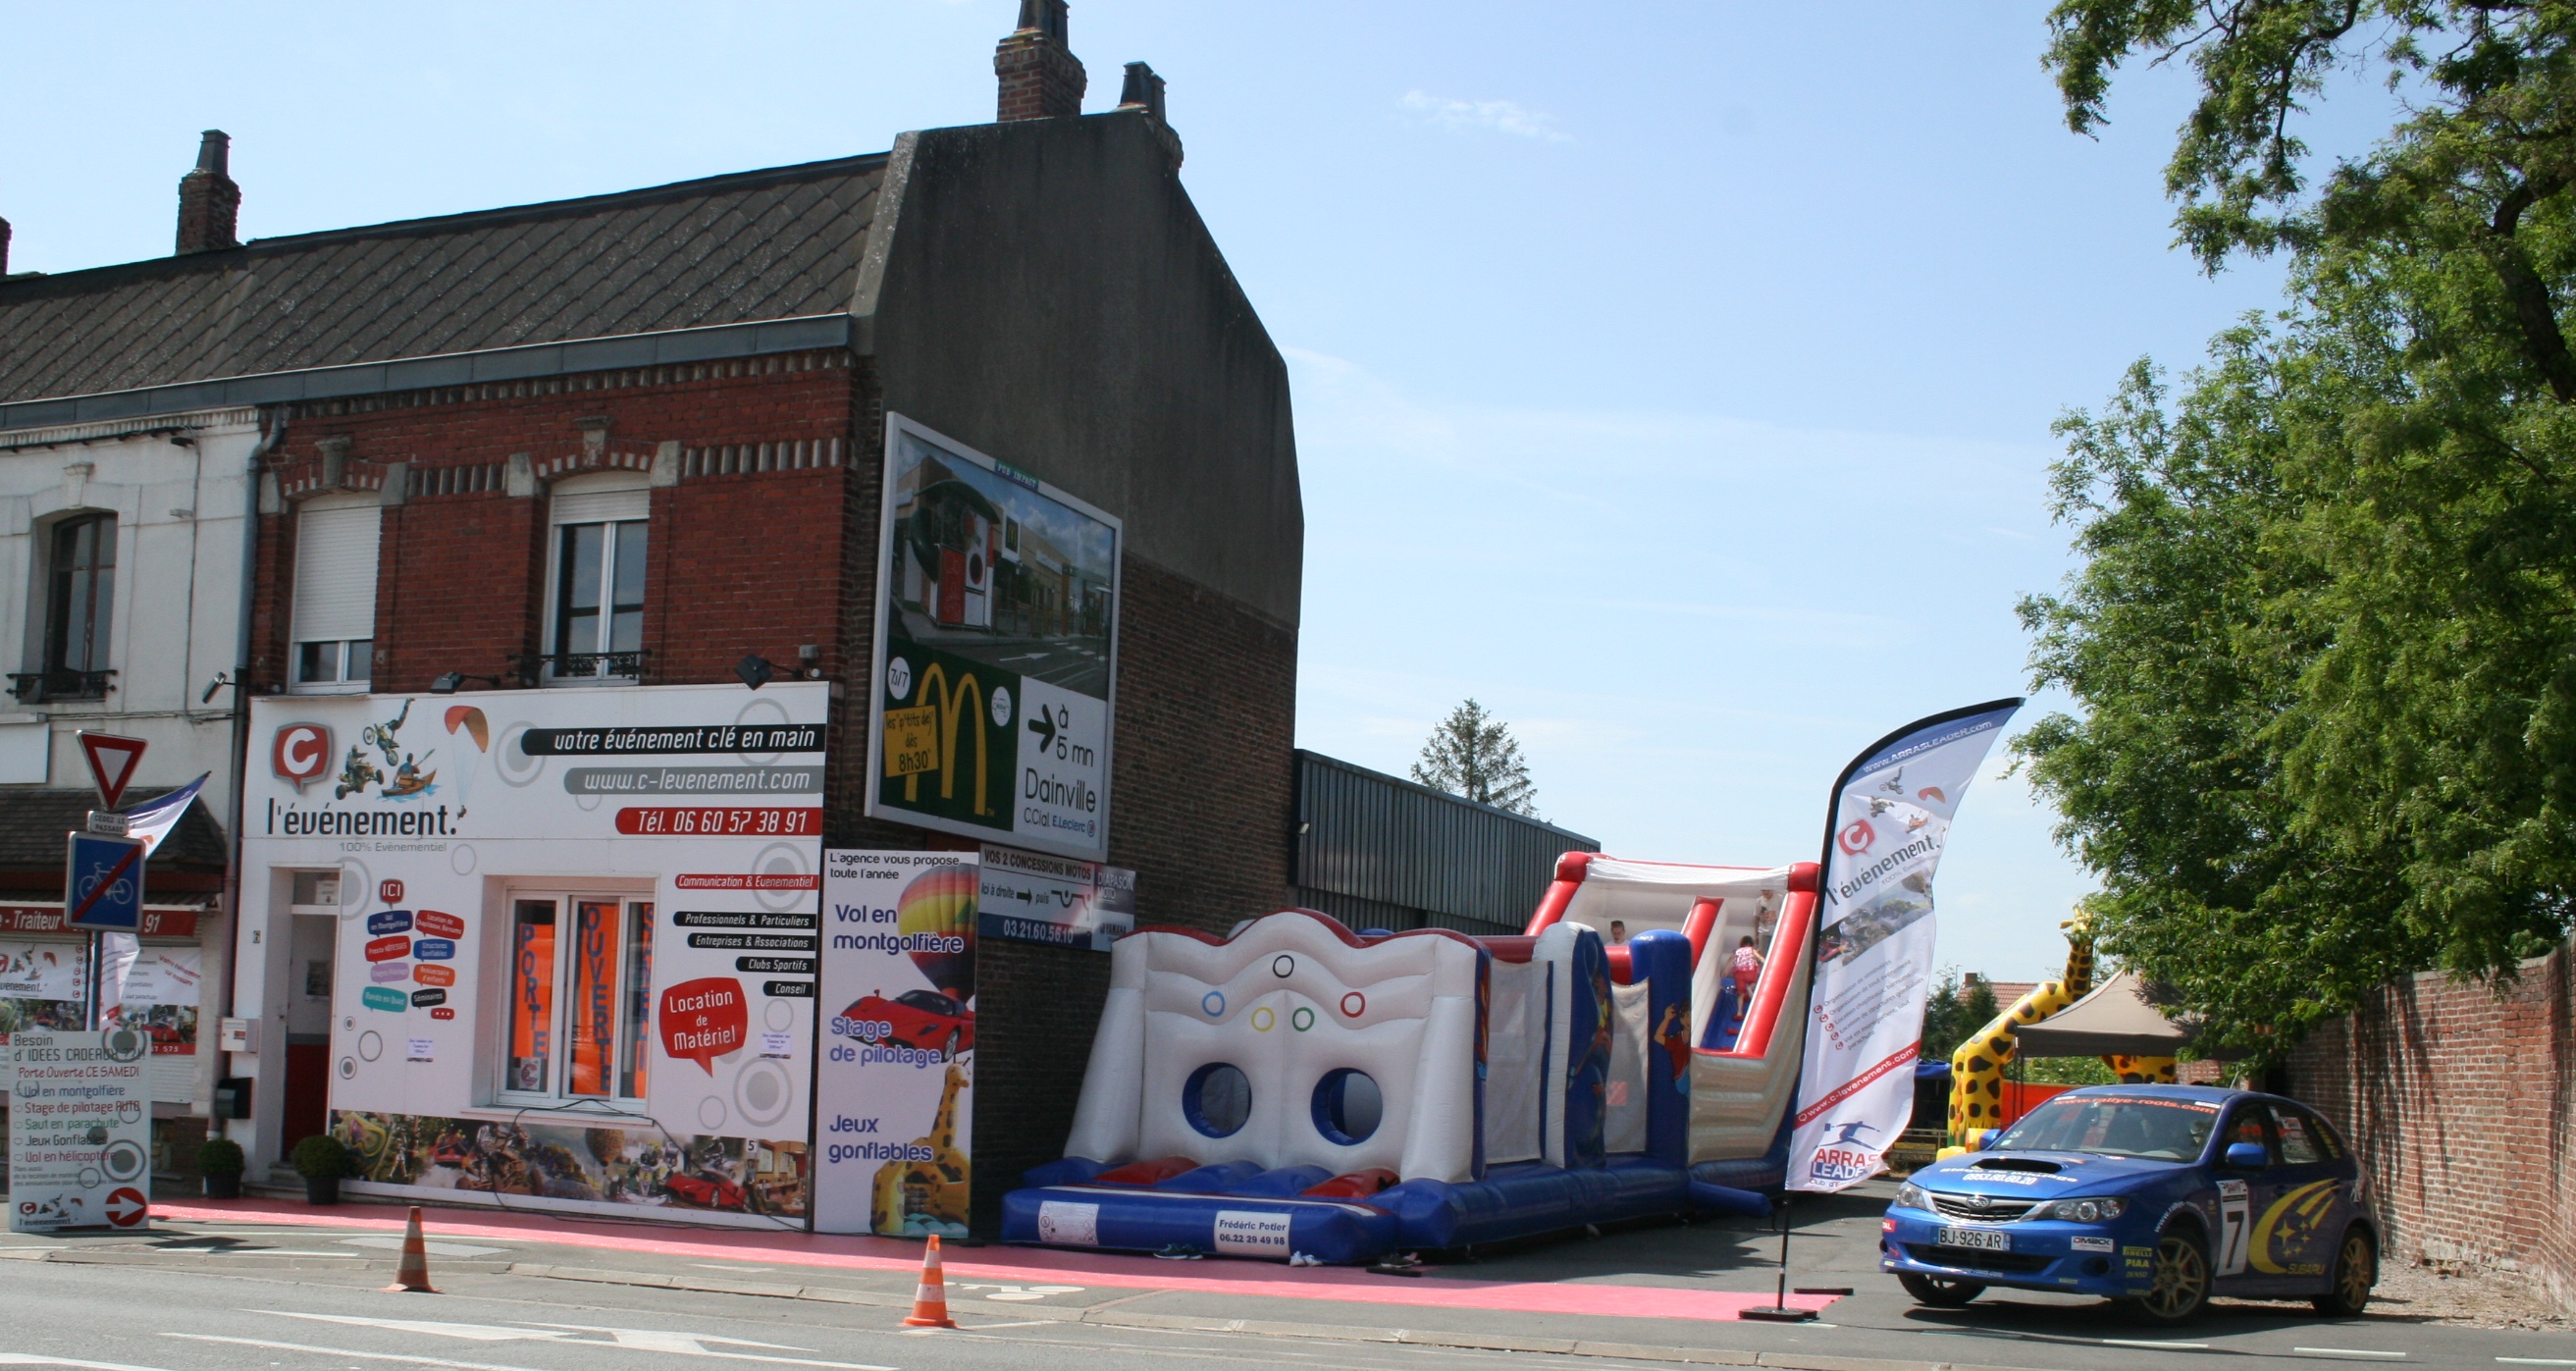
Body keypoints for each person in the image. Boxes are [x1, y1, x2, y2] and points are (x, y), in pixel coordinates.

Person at [1730, 935, 1763, 1000]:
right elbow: (1759, 958)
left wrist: (1726, 970)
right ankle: (1749, 988)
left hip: (1739, 973)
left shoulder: (1737, 951)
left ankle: (1739, 1010)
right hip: (1750, 972)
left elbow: (1731, 960)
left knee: (1741, 993)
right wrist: (1765, 961)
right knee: (1754, 982)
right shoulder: (1752, 950)